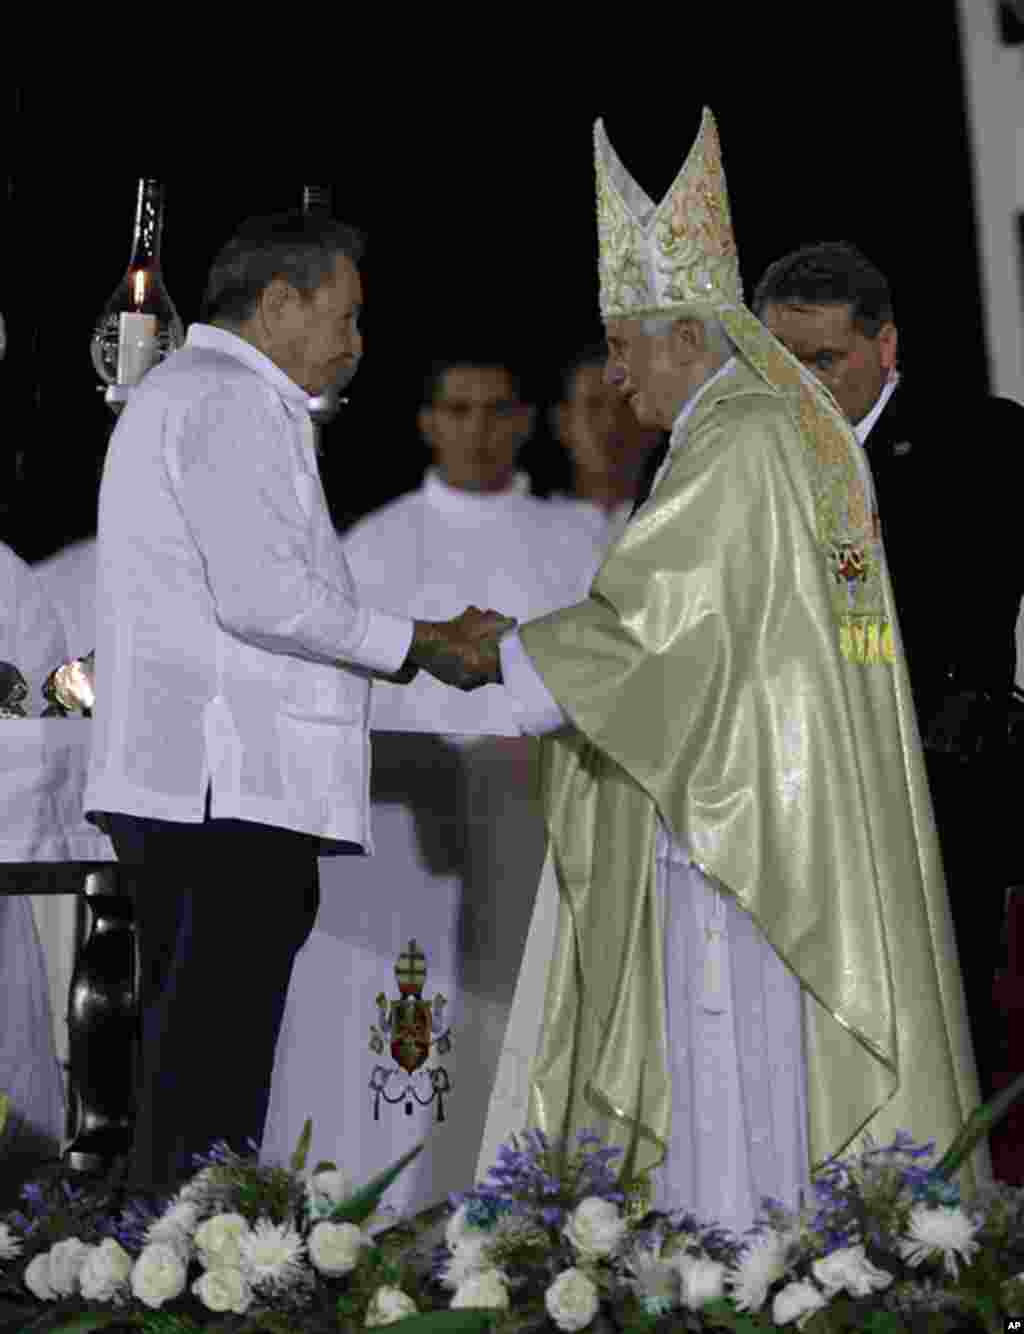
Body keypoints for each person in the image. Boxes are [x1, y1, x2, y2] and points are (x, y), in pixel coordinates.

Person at [474, 108, 985, 1233]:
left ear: (686, 333)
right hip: (767, 800)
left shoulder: (740, 436)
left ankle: (732, 1261)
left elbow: (652, 626)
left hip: (745, 828)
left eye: (622, 341)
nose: (611, 374)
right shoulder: (772, 426)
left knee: (732, 1070)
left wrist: (498, 654)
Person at [82, 212, 511, 1192]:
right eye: (346, 316)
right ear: (280, 300)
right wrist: (422, 644)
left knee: (194, 1069)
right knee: (208, 1074)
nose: (357, 346)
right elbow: (265, 595)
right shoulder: (227, 398)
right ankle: (182, 1270)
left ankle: (174, 1260)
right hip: (221, 788)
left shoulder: (200, 392)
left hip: (205, 783)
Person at [260, 357, 603, 1212]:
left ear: (526, 420)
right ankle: (397, 1193)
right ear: (427, 422)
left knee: (527, 1023)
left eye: (497, 410)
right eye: (458, 409)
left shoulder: (582, 540)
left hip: (544, 817)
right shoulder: (375, 544)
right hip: (411, 844)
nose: (477, 430)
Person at [752, 241, 1024, 1098]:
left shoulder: (984, 442)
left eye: (825, 360)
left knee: (944, 1049)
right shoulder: (732, 460)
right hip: (786, 804)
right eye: (780, 362)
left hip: (938, 796)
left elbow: (940, 606)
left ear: (885, 346)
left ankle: (944, 1226)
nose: (802, 384)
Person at [549, 344, 665, 545]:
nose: (611, 423)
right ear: (564, 423)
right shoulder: (523, 528)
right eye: (593, 406)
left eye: (626, 404)